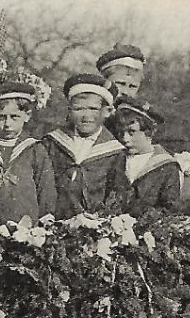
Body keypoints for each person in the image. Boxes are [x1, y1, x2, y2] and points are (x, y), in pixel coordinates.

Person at [42, 73, 129, 217]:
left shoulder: (114, 152)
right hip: (51, 222)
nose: (86, 116)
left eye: (93, 109)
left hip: (92, 226)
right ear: (69, 111)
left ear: (106, 112)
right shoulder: (52, 143)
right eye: (78, 109)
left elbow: (117, 195)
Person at [0, 75, 57, 223]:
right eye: (1, 117)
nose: (7, 124)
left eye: (14, 117)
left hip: (24, 225)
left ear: (27, 116)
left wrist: (46, 217)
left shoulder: (34, 149)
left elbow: (46, 188)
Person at [111, 96, 182, 214]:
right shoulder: (116, 160)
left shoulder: (166, 166)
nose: (124, 139)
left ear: (149, 132)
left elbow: (170, 208)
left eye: (131, 132)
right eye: (120, 132)